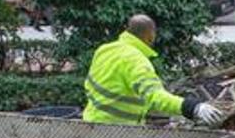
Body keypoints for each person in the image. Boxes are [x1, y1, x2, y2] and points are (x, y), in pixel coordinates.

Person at [82, 14, 223, 126]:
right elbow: (155, 97)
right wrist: (192, 107)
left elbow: (89, 85)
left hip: (91, 124)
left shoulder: (105, 49)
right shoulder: (136, 61)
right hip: (118, 131)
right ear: (150, 36)